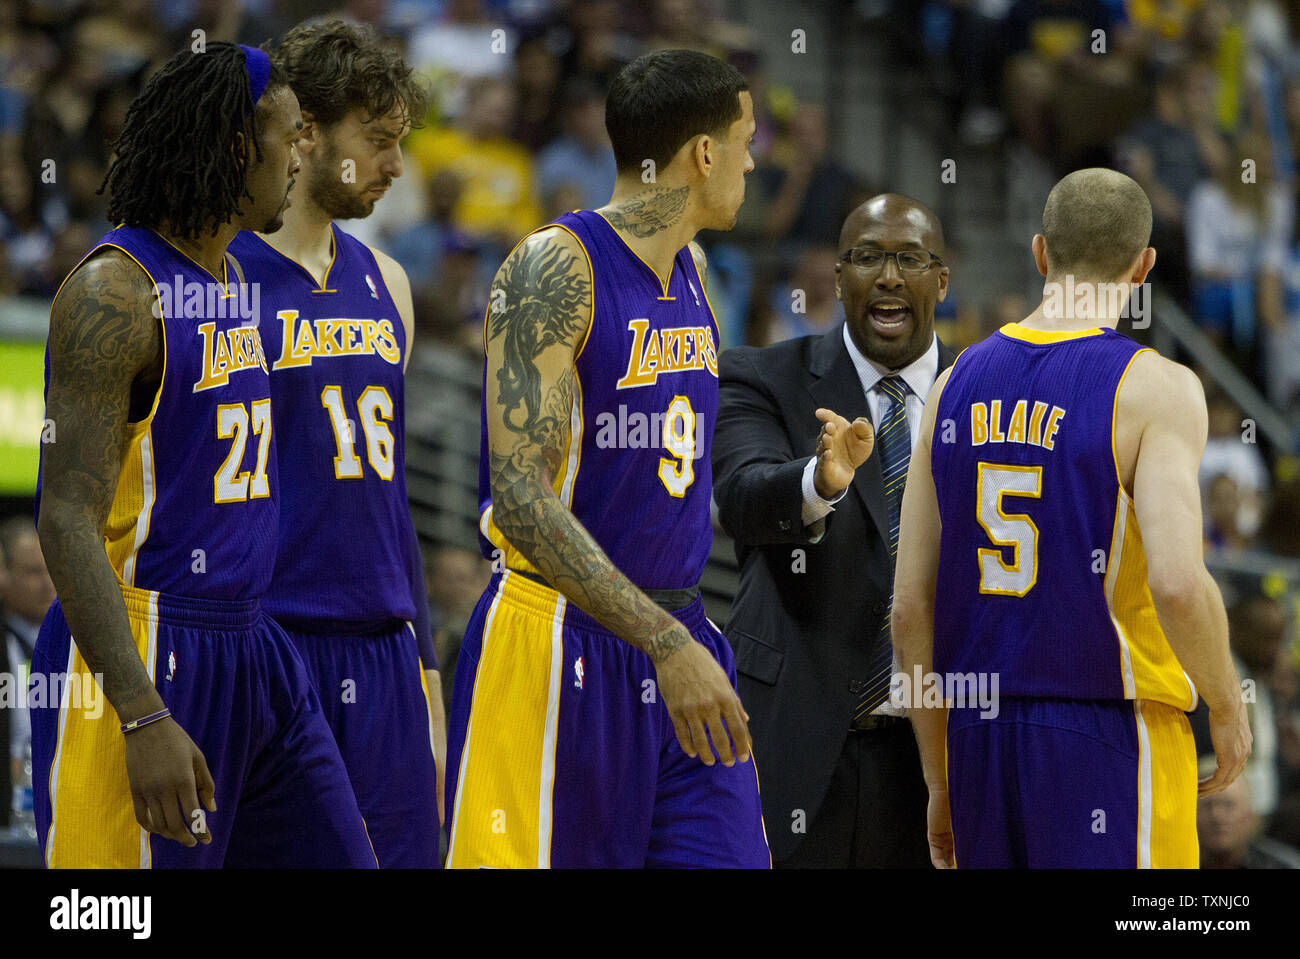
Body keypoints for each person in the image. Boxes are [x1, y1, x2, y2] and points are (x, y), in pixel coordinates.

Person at [31, 42, 376, 868]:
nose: (305, 155)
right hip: (145, 645)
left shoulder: (227, 278)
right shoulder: (114, 291)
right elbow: (67, 518)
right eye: (291, 135)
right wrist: (142, 712)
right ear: (233, 146)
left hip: (255, 641)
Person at [444, 48, 770, 868]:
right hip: (559, 640)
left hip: (679, 626)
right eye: (745, 139)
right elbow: (521, 495)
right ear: (703, 154)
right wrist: (661, 641)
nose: (754, 160)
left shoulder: (695, 269)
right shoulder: (556, 265)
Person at [893, 167, 1252, 869]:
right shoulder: (1158, 387)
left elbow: (909, 607)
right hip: (1108, 729)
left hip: (977, 735)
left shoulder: (950, 383)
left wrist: (939, 779)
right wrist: (1227, 702)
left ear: (1039, 253)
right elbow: (1179, 584)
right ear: (1144, 266)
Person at [227, 20, 443, 868]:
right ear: (306, 135)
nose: (396, 166)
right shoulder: (223, 276)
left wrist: (427, 682)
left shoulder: (387, 281)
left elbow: (389, 506)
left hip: (387, 650)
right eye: (379, 142)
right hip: (269, 639)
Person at [713, 194, 958, 868]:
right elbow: (740, 497)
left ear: (941, 280)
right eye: (868, 257)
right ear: (840, 273)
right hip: (797, 744)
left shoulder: (982, 390)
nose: (887, 276)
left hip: (940, 758)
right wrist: (819, 483)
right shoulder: (763, 375)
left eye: (908, 258)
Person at [0, 518, 56, 825]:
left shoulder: (81, 641)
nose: (48, 583)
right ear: (4, 575)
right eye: (35, 572)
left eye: (52, 570)